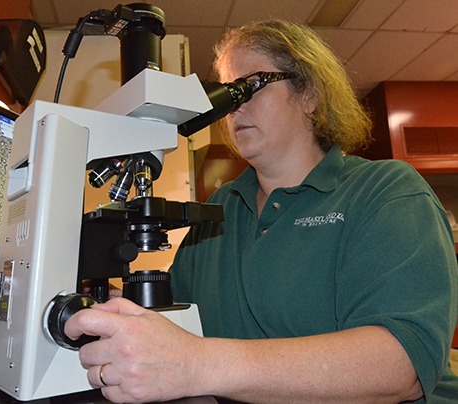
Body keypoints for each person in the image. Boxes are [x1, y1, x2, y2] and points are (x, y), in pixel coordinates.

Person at [65, 19, 458, 403]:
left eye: (250, 85)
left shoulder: (385, 190)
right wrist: (106, 308)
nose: (234, 107)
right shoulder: (220, 208)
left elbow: (401, 366)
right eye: (227, 93)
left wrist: (198, 364)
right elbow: (178, 326)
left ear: (310, 95)